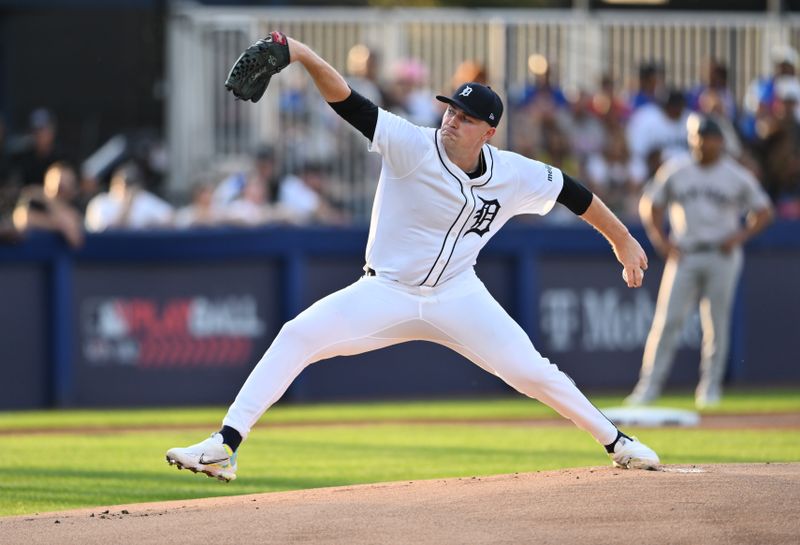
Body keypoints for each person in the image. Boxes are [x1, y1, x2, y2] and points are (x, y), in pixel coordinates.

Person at [166, 33, 659, 482]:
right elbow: (348, 102)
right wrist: (299, 52)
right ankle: (225, 446)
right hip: (386, 291)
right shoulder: (412, 145)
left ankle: (617, 442)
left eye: (465, 118)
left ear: (489, 132)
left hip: (458, 295)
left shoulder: (514, 172)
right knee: (297, 334)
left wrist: (622, 240)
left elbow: (573, 193)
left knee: (533, 372)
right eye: (450, 109)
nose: (451, 119)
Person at [626, 118, 774, 409]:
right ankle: (648, 388)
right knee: (667, 321)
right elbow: (650, 204)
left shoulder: (734, 174)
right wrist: (661, 240)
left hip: (722, 253)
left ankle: (710, 388)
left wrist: (741, 236)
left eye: (707, 137)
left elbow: (764, 210)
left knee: (716, 323)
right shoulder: (678, 169)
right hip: (687, 252)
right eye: (697, 136)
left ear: (719, 141)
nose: (702, 142)